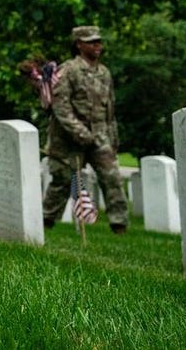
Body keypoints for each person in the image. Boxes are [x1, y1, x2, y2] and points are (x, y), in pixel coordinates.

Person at [41, 25, 129, 233]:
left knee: (112, 178)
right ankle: (45, 221)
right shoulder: (68, 70)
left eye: (99, 41)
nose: (97, 45)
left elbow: (110, 109)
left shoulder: (104, 73)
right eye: (91, 42)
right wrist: (80, 132)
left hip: (99, 136)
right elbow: (61, 107)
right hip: (68, 138)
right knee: (63, 181)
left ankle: (119, 224)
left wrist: (112, 139)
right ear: (79, 45)